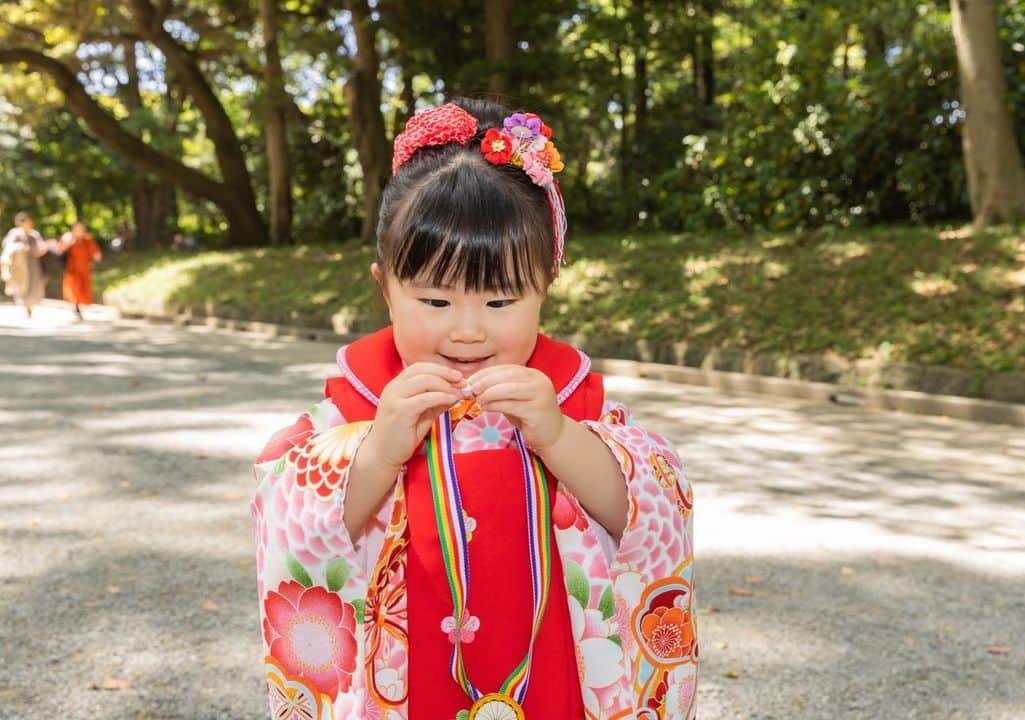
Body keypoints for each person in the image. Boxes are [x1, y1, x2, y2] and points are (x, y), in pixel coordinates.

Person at [251, 99, 697, 720]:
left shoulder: (569, 397)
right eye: (434, 301)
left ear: (545, 284)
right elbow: (296, 522)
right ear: (385, 288)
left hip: (550, 663)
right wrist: (378, 450)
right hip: (407, 674)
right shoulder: (358, 403)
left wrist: (560, 436)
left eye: (500, 301)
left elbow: (648, 511)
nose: (467, 331)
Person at [1, 212, 49, 318]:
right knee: (22, 285)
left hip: (33, 264)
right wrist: (20, 247)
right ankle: (25, 305)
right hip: (20, 266)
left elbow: (40, 247)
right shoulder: (15, 233)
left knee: (34, 284)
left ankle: (30, 306)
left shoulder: (34, 234)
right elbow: (7, 245)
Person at [55, 220, 102, 320]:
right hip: (72, 270)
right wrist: (68, 243)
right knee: (73, 290)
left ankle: (79, 307)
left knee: (83, 290)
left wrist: (96, 256)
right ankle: (76, 308)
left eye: (81, 228)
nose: (80, 231)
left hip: (84, 270)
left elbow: (96, 254)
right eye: (77, 228)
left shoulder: (87, 240)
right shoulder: (68, 239)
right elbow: (60, 251)